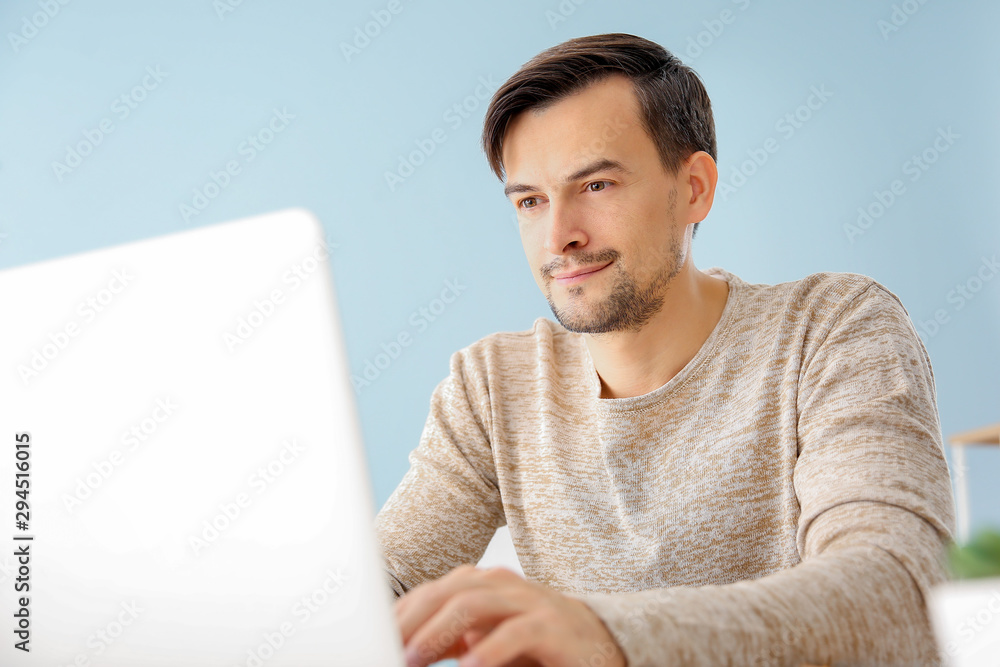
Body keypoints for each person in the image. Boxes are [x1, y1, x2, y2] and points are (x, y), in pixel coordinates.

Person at [375, 33, 956, 667]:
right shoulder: (492, 387)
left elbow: (899, 592)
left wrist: (604, 633)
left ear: (695, 188)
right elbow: (380, 588)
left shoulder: (832, 328)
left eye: (596, 186)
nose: (558, 236)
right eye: (531, 201)